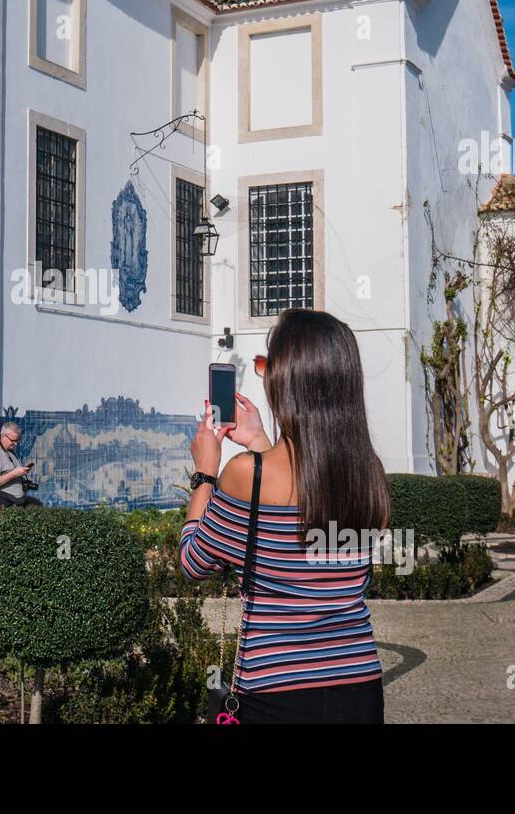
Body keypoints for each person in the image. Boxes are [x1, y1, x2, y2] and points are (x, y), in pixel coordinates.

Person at [180, 308, 391, 723]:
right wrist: (260, 440)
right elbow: (311, 530)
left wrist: (205, 472)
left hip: (275, 694)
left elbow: (192, 561)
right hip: (359, 689)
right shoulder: (369, 474)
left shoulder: (245, 475)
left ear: (285, 382)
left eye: (265, 366)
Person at [0, 421, 35, 512]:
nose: (16, 444)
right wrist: (14, 474)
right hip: (2, 507)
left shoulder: (10, 451)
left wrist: (22, 473)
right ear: (3, 436)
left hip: (15, 505)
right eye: (13, 440)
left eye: (17, 440)